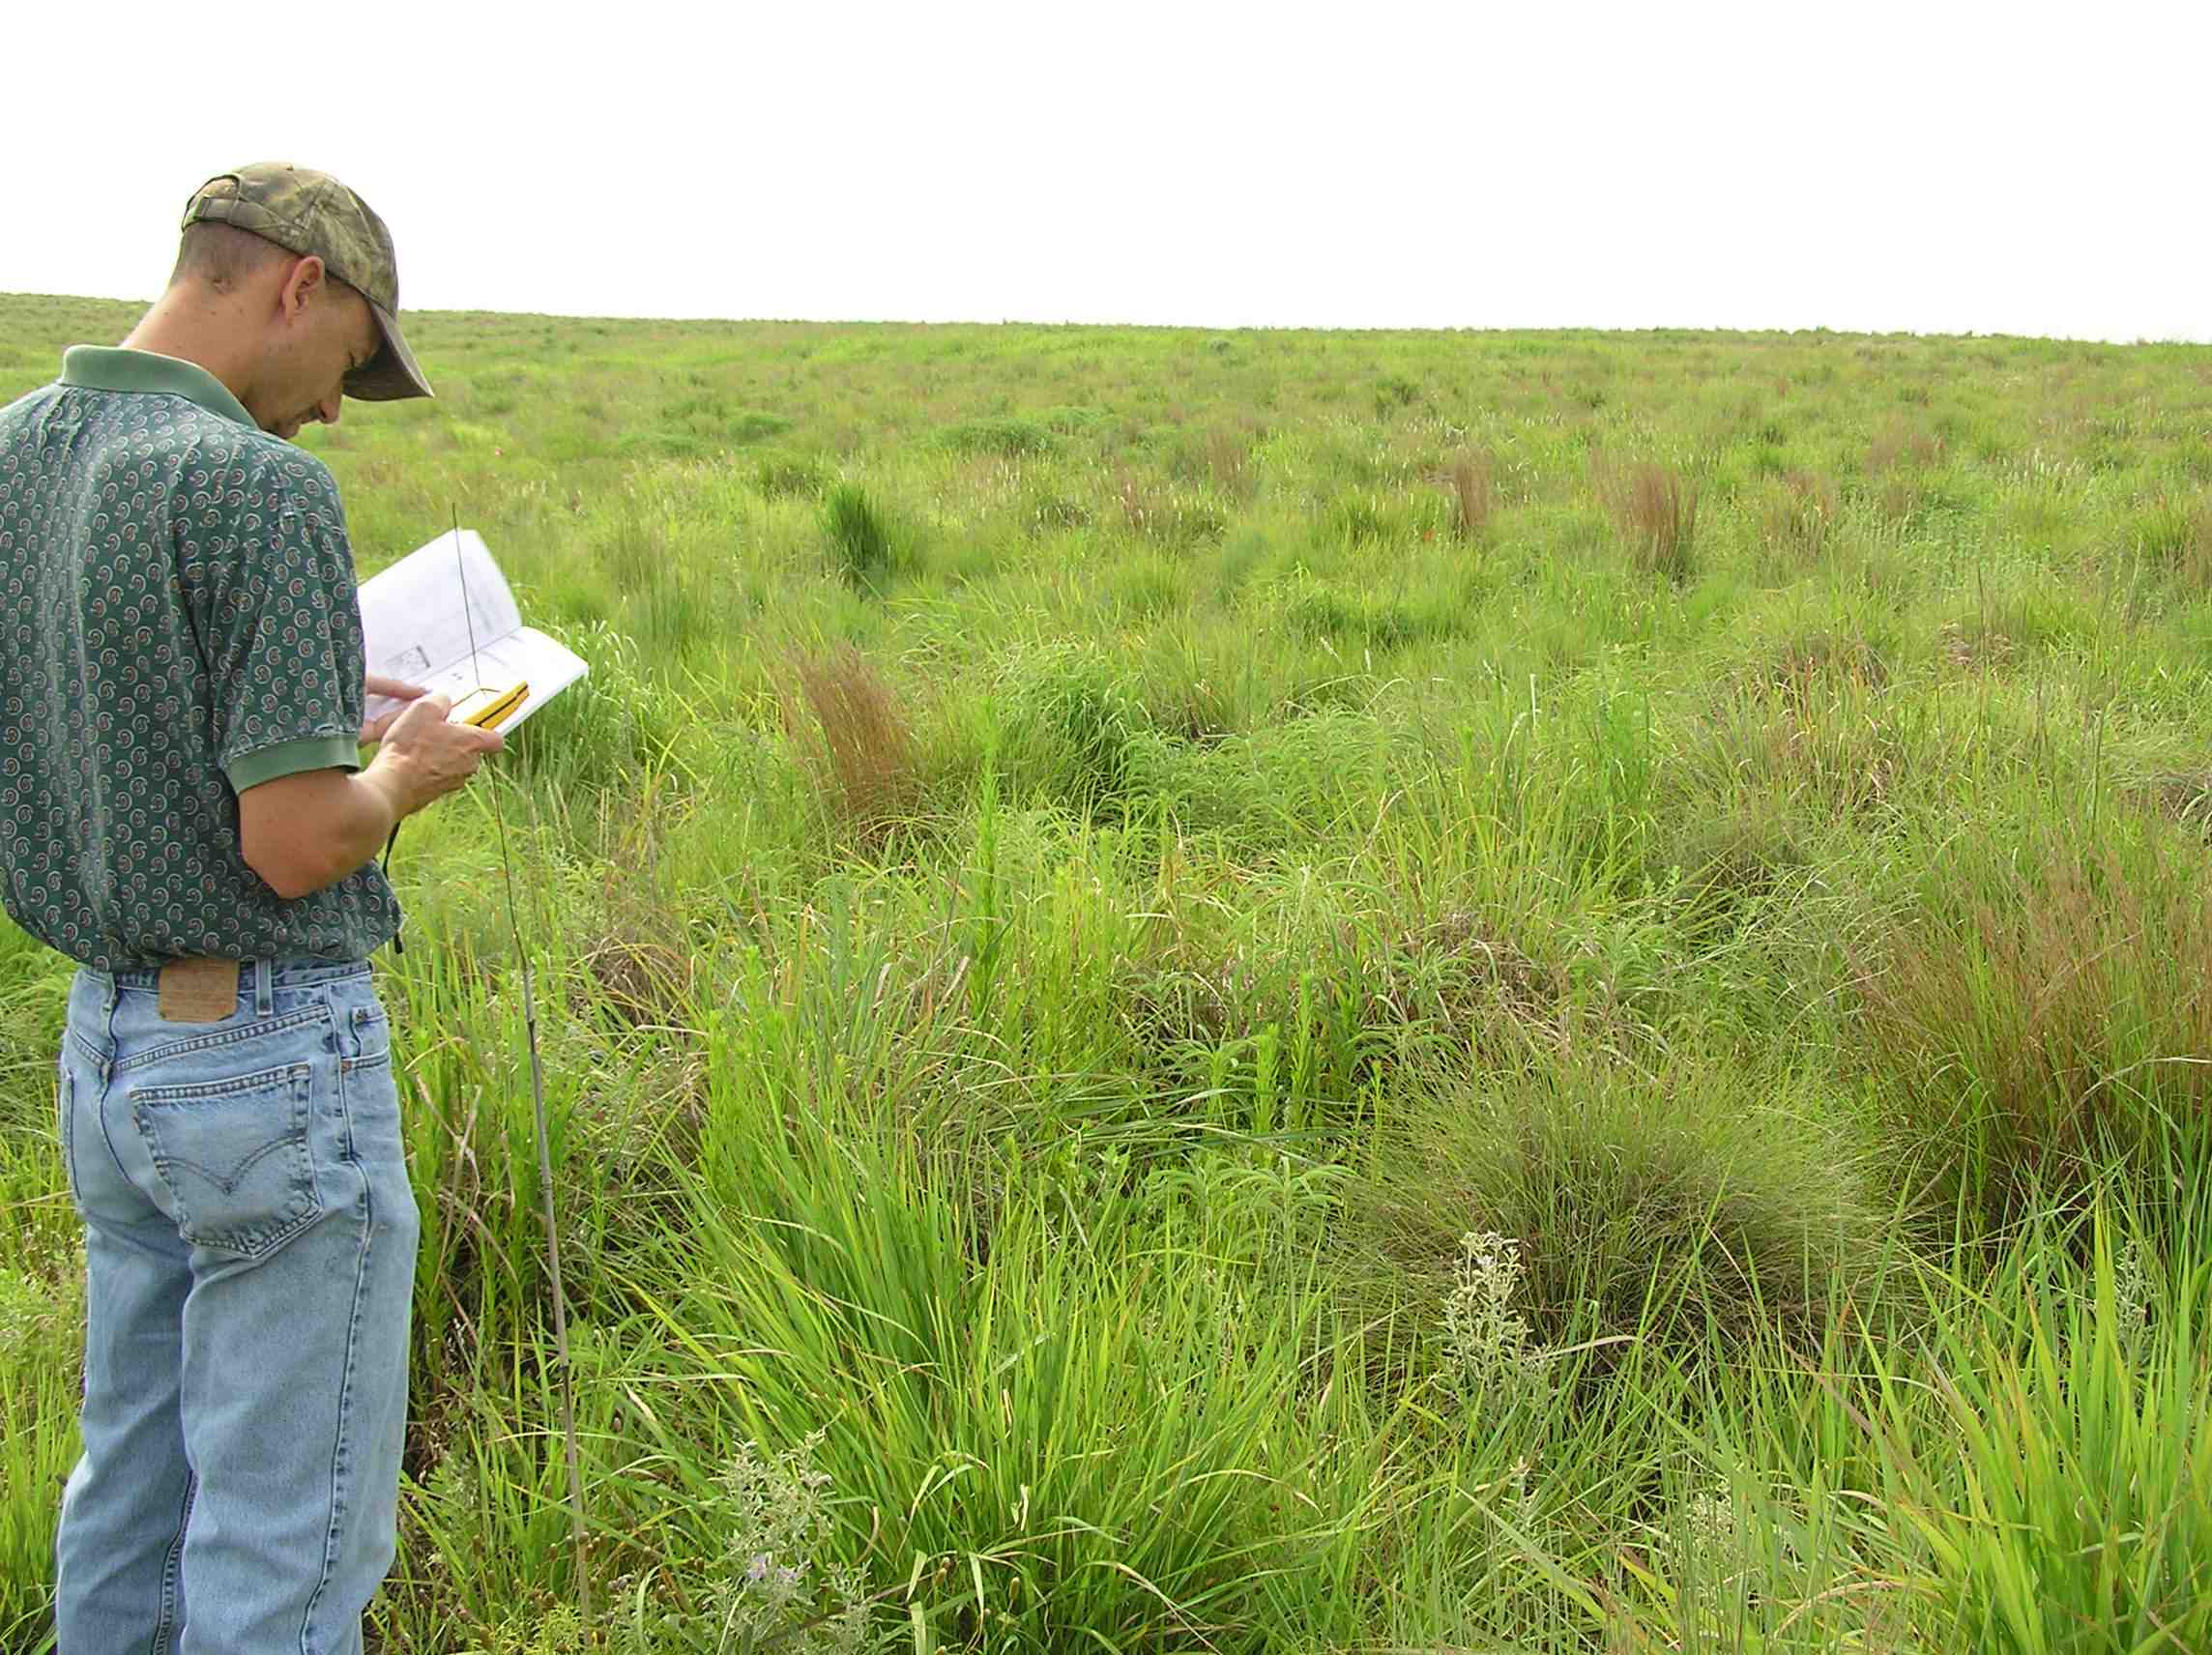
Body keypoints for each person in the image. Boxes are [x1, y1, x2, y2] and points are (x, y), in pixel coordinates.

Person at [0, 163, 504, 1652]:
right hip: (268, 1058)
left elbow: (90, 710)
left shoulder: (22, 451)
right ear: (299, 284)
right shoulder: (259, 487)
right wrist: (403, 771)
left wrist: (296, 700)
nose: (338, 410)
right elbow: (296, 846)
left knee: (132, 1502)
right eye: (350, 360)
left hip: (107, 1052)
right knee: (283, 1544)